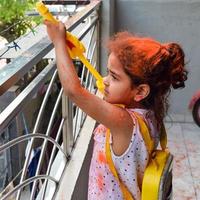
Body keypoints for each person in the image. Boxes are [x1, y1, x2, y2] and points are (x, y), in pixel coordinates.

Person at [44, 20, 187, 200]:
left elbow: (74, 91)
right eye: (108, 72)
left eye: (114, 77)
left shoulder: (124, 122)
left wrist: (58, 42)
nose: (105, 80)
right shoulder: (149, 114)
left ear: (141, 91)